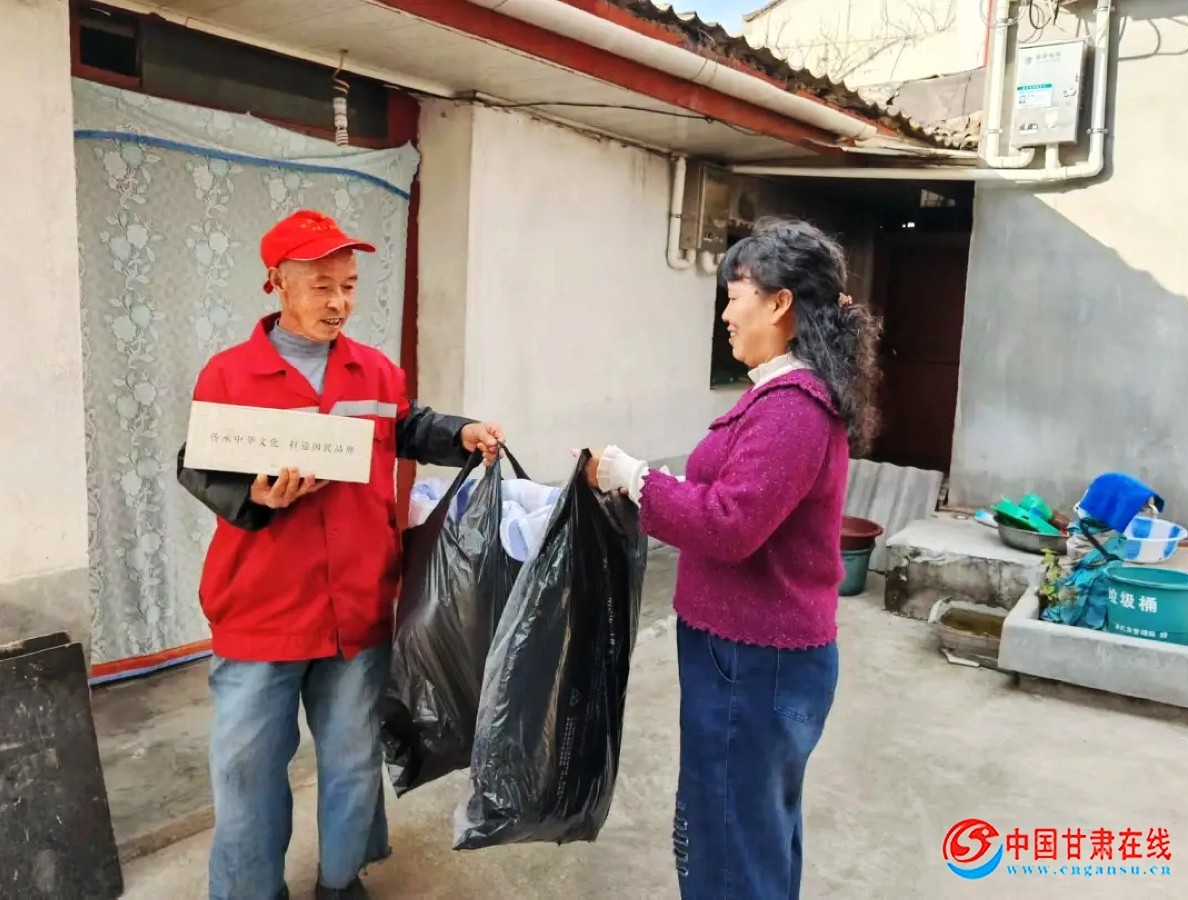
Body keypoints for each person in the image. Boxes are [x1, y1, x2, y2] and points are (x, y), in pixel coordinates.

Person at [177, 209, 506, 900]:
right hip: (261, 609)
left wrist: (460, 433)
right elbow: (197, 463)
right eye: (322, 286)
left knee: (353, 761)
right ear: (277, 283)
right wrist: (254, 496)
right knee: (246, 771)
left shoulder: (373, 370)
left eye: (350, 286)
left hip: (357, 605)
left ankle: (340, 881)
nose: (339, 303)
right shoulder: (230, 374)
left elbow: (407, 426)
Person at [584, 218, 882, 899]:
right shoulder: (778, 396)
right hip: (752, 654)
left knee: (730, 840)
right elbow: (736, 500)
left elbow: (729, 524)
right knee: (752, 829)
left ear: (779, 303)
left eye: (735, 295)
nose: (725, 313)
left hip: (753, 660)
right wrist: (652, 487)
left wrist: (635, 477)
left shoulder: (792, 409)